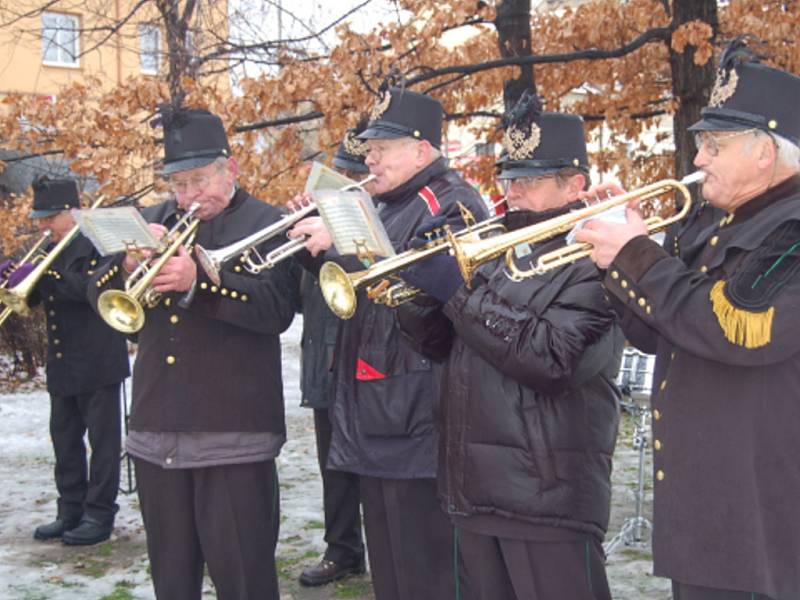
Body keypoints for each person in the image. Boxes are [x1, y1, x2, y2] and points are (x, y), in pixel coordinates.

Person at [574, 42, 800, 600]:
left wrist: (636, 254)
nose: (697, 160)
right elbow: (658, 333)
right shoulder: (709, 221)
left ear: (764, 154)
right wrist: (618, 253)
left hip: (756, 514)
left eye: (713, 146)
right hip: (702, 501)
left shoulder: (790, 228)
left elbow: (738, 330)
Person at [397, 92, 622, 600]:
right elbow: (440, 347)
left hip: (548, 499)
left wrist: (458, 291)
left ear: (576, 184)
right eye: (509, 178)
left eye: (531, 180)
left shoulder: (598, 260)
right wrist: (416, 292)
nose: (513, 191)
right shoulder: (495, 246)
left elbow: (552, 360)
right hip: (473, 492)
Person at [90, 107, 297, 600]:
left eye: (199, 180)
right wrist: (125, 263)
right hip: (155, 428)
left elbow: (276, 310)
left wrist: (200, 283)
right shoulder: (154, 222)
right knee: (172, 581)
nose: (188, 196)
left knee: (243, 580)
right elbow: (103, 301)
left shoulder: (268, 222)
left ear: (231, 169)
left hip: (234, 430)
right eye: (178, 184)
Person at [290, 87, 488, 600]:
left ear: (422, 151)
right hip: (377, 408)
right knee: (392, 573)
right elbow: (360, 291)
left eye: (382, 148)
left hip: (418, 414)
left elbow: (442, 295)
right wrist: (313, 250)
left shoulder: (451, 201)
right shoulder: (383, 202)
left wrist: (343, 252)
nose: (369, 159)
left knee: (427, 572)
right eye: (369, 148)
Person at [12, 176, 130, 545]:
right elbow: (34, 299)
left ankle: (99, 514)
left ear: (71, 212)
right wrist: (17, 280)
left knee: (103, 443)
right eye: (41, 218)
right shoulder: (49, 247)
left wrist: (47, 275)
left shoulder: (100, 242)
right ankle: (70, 509)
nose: (43, 225)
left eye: (49, 217)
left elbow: (92, 290)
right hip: (63, 362)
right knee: (64, 440)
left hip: (98, 360)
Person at [295, 125, 371, 587]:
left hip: (369, 363)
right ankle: (342, 549)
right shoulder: (322, 217)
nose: (345, 178)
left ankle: (384, 550)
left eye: (353, 172)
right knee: (334, 465)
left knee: (378, 468)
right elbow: (295, 301)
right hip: (324, 364)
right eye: (340, 170)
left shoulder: (381, 218)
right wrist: (299, 239)